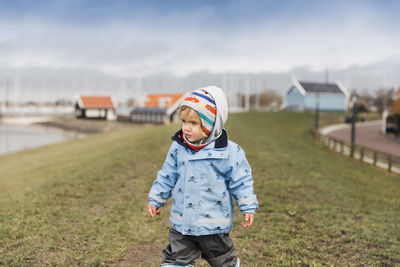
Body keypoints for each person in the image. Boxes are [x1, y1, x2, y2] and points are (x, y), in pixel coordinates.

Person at [148, 86, 258, 267]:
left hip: (213, 223)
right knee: (175, 260)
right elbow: (167, 174)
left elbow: (241, 181)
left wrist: (247, 206)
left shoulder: (229, 152)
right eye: (183, 121)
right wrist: (156, 198)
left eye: (193, 123)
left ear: (211, 125)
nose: (186, 128)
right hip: (183, 223)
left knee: (223, 261)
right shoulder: (178, 148)